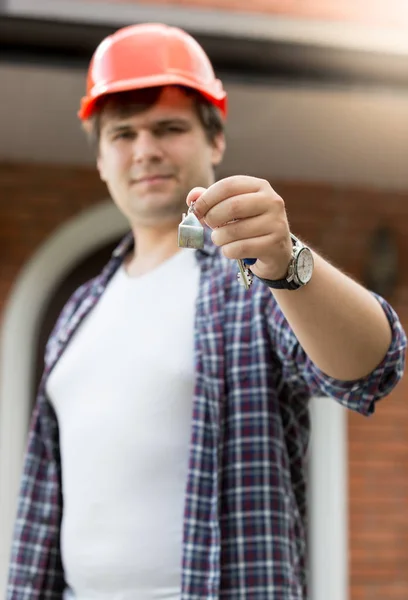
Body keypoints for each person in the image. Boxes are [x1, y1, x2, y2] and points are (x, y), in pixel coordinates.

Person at [6, 23, 406, 600]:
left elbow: (374, 367)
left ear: (214, 142)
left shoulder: (254, 277)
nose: (145, 149)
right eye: (123, 134)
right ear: (100, 159)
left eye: (169, 127)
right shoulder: (77, 310)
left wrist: (288, 261)